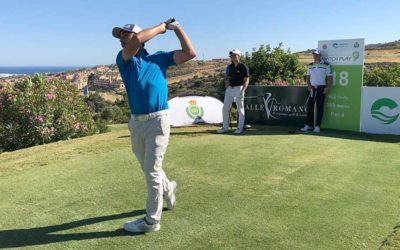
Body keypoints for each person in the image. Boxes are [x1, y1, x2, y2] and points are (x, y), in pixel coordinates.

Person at [112, 18, 196, 233]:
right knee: (149, 168)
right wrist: (162, 27)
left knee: (151, 170)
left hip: (158, 120)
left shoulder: (160, 58)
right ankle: (169, 187)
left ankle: (152, 221)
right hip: (136, 123)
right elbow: (137, 40)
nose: (122, 38)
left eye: (125, 34)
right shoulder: (125, 60)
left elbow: (190, 53)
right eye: (120, 35)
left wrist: (177, 28)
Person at [217, 49, 249, 134]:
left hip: (239, 89)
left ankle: (239, 128)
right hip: (230, 89)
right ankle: (225, 128)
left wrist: (243, 91)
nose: (232, 57)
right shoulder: (229, 67)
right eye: (231, 56)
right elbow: (228, 77)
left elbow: (246, 80)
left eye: (234, 55)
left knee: (240, 109)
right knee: (225, 108)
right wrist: (226, 84)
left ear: (238, 56)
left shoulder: (243, 67)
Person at [301, 48, 333, 133]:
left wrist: (328, 87)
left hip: (321, 88)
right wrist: (308, 85)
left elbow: (330, 77)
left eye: (316, 54)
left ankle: (318, 126)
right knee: (309, 107)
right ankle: (308, 125)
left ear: (320, 55)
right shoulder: (310, 65)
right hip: (311, 88)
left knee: (320, 107)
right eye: (314, 54)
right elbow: (308, 77)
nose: (314, 56)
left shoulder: (326, 65)